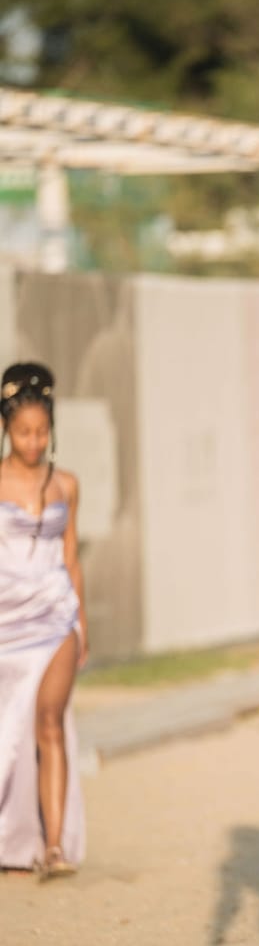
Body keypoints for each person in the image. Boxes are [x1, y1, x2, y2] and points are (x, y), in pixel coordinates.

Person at [0, 362, 87, 879]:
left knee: (49, 721)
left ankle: (54, 847)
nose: (33, 442)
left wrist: (82, 623)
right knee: (7, 731)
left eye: (41, 431)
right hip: (6, 621)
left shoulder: (67, 484)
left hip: (56, 616)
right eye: (23, 432)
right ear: (6, 428)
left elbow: (71, 556)